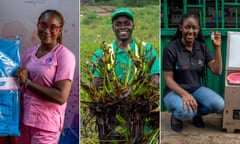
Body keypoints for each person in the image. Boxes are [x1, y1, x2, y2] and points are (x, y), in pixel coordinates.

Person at [91, 7, 160, 143]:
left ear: (133, 26)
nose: (123, 27)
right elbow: (95, 84)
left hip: (139, 120)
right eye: (118, 24)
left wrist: (141, 84)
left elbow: (155, 81)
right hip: (112, 122)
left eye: (127, 23)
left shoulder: (147, 50)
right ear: (113, 27)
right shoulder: (102, 54)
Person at [15, 9, 76, 143]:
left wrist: (28, 83)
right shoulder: (28, 53)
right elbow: (17, 83)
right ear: (38, 26)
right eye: (43, 25)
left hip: (46, 126)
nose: (47, 30)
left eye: (53, 27)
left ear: (59, 30)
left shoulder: (64, 56)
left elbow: (61, 96)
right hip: (24, 123)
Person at [162, 13, 224, 132]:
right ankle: (176, 116)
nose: (191, 31)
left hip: (195, 89)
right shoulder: (171, 49)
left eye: (194, 28)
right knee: (186, 111)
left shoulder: (202, 48)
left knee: (219, 104)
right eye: (187, 27)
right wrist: (185, 94)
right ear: (181, 28)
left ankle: (195, 114)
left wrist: (217, 48)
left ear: (198, 29)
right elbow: (168, 79)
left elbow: (217, 71)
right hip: (174, 92)